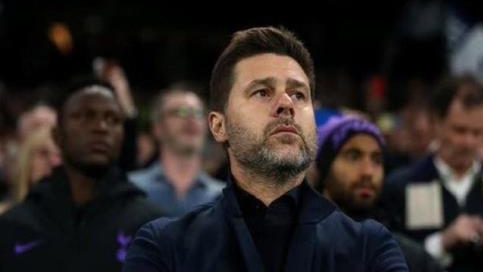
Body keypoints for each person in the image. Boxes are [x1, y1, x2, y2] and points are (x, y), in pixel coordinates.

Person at [124, 26, 408, 271]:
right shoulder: (164, 248)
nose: (286, 103)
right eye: (262, 92)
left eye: (299, 94)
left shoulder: (370, 248)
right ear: (219, 126)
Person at [0, 78, 163, 271]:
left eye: (113, 119)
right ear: (57, 135)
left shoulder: (152, 228)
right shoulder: (12, 226)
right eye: (85, 116)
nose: (101, 127)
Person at [383, 75, 483, 272]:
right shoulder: (401, 185)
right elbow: (387, 257)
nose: (468, 142)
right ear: (437, 122)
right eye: (460, 130)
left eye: (477, 133)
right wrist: (442, 242)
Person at [316, 116, 442, 272]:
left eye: (376, 160)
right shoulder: (302, 243)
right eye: (353, 157)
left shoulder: (406, 254)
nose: (368, 172)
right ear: (325, 167)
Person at [129, 84, 224, 216]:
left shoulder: (222, 197)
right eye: (179, 112)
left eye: (197, 113)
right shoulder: (132, 188)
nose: (190, 119)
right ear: (158, 128)